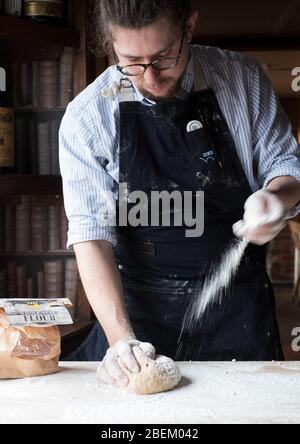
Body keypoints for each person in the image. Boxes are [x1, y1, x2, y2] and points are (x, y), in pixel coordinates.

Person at [59, 0, 300, 389]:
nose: (151, 78)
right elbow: (91, 236)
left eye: (163, 58)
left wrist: (276, 197)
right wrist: (122, 340)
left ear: (189, 26)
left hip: (239, 314)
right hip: (138, 321)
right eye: (131, 62)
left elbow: (286, 167)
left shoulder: (243, 79)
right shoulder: (88, 116)